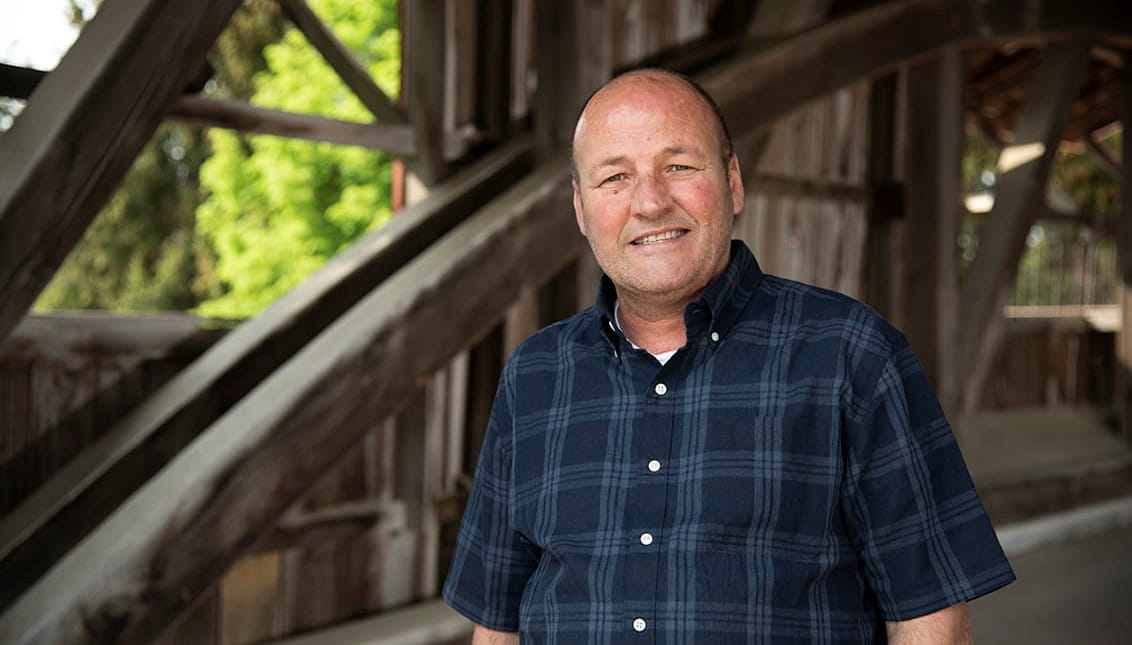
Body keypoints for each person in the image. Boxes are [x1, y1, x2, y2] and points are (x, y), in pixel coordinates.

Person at [443, 68, 1014, 644]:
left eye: (680, 167)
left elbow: (930, 620)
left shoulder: (851, 355)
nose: (649, 201)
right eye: (614, 177)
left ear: (733, 182)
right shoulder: (535, 375)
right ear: (581, 210)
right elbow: (498, 625)